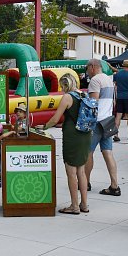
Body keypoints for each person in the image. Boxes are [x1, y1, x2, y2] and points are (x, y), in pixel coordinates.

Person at [41, 73, 91, 214]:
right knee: (81, 171)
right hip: (85, 134)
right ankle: (84, 204)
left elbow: (55, 119)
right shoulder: (83, 95)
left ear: (64, 85)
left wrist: (43, 127)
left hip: (72, 136)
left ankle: (74, 206)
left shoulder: (67, 97)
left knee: (71, 171)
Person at [85, 59, 121, 196]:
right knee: (108, 152)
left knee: (88, 153)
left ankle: (85, 182)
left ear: (93, 67)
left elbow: (93, 103)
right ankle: (114, 185)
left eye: (87, 68)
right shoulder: (108, 80)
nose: (87, 71)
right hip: (108, 120)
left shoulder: (94, 81)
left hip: (96, 122)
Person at [113, 59, 128, 141]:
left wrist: (115, 98)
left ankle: (116, 134)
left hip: (119, 97)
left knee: (118, 115)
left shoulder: (117, 75)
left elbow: (115, 86)